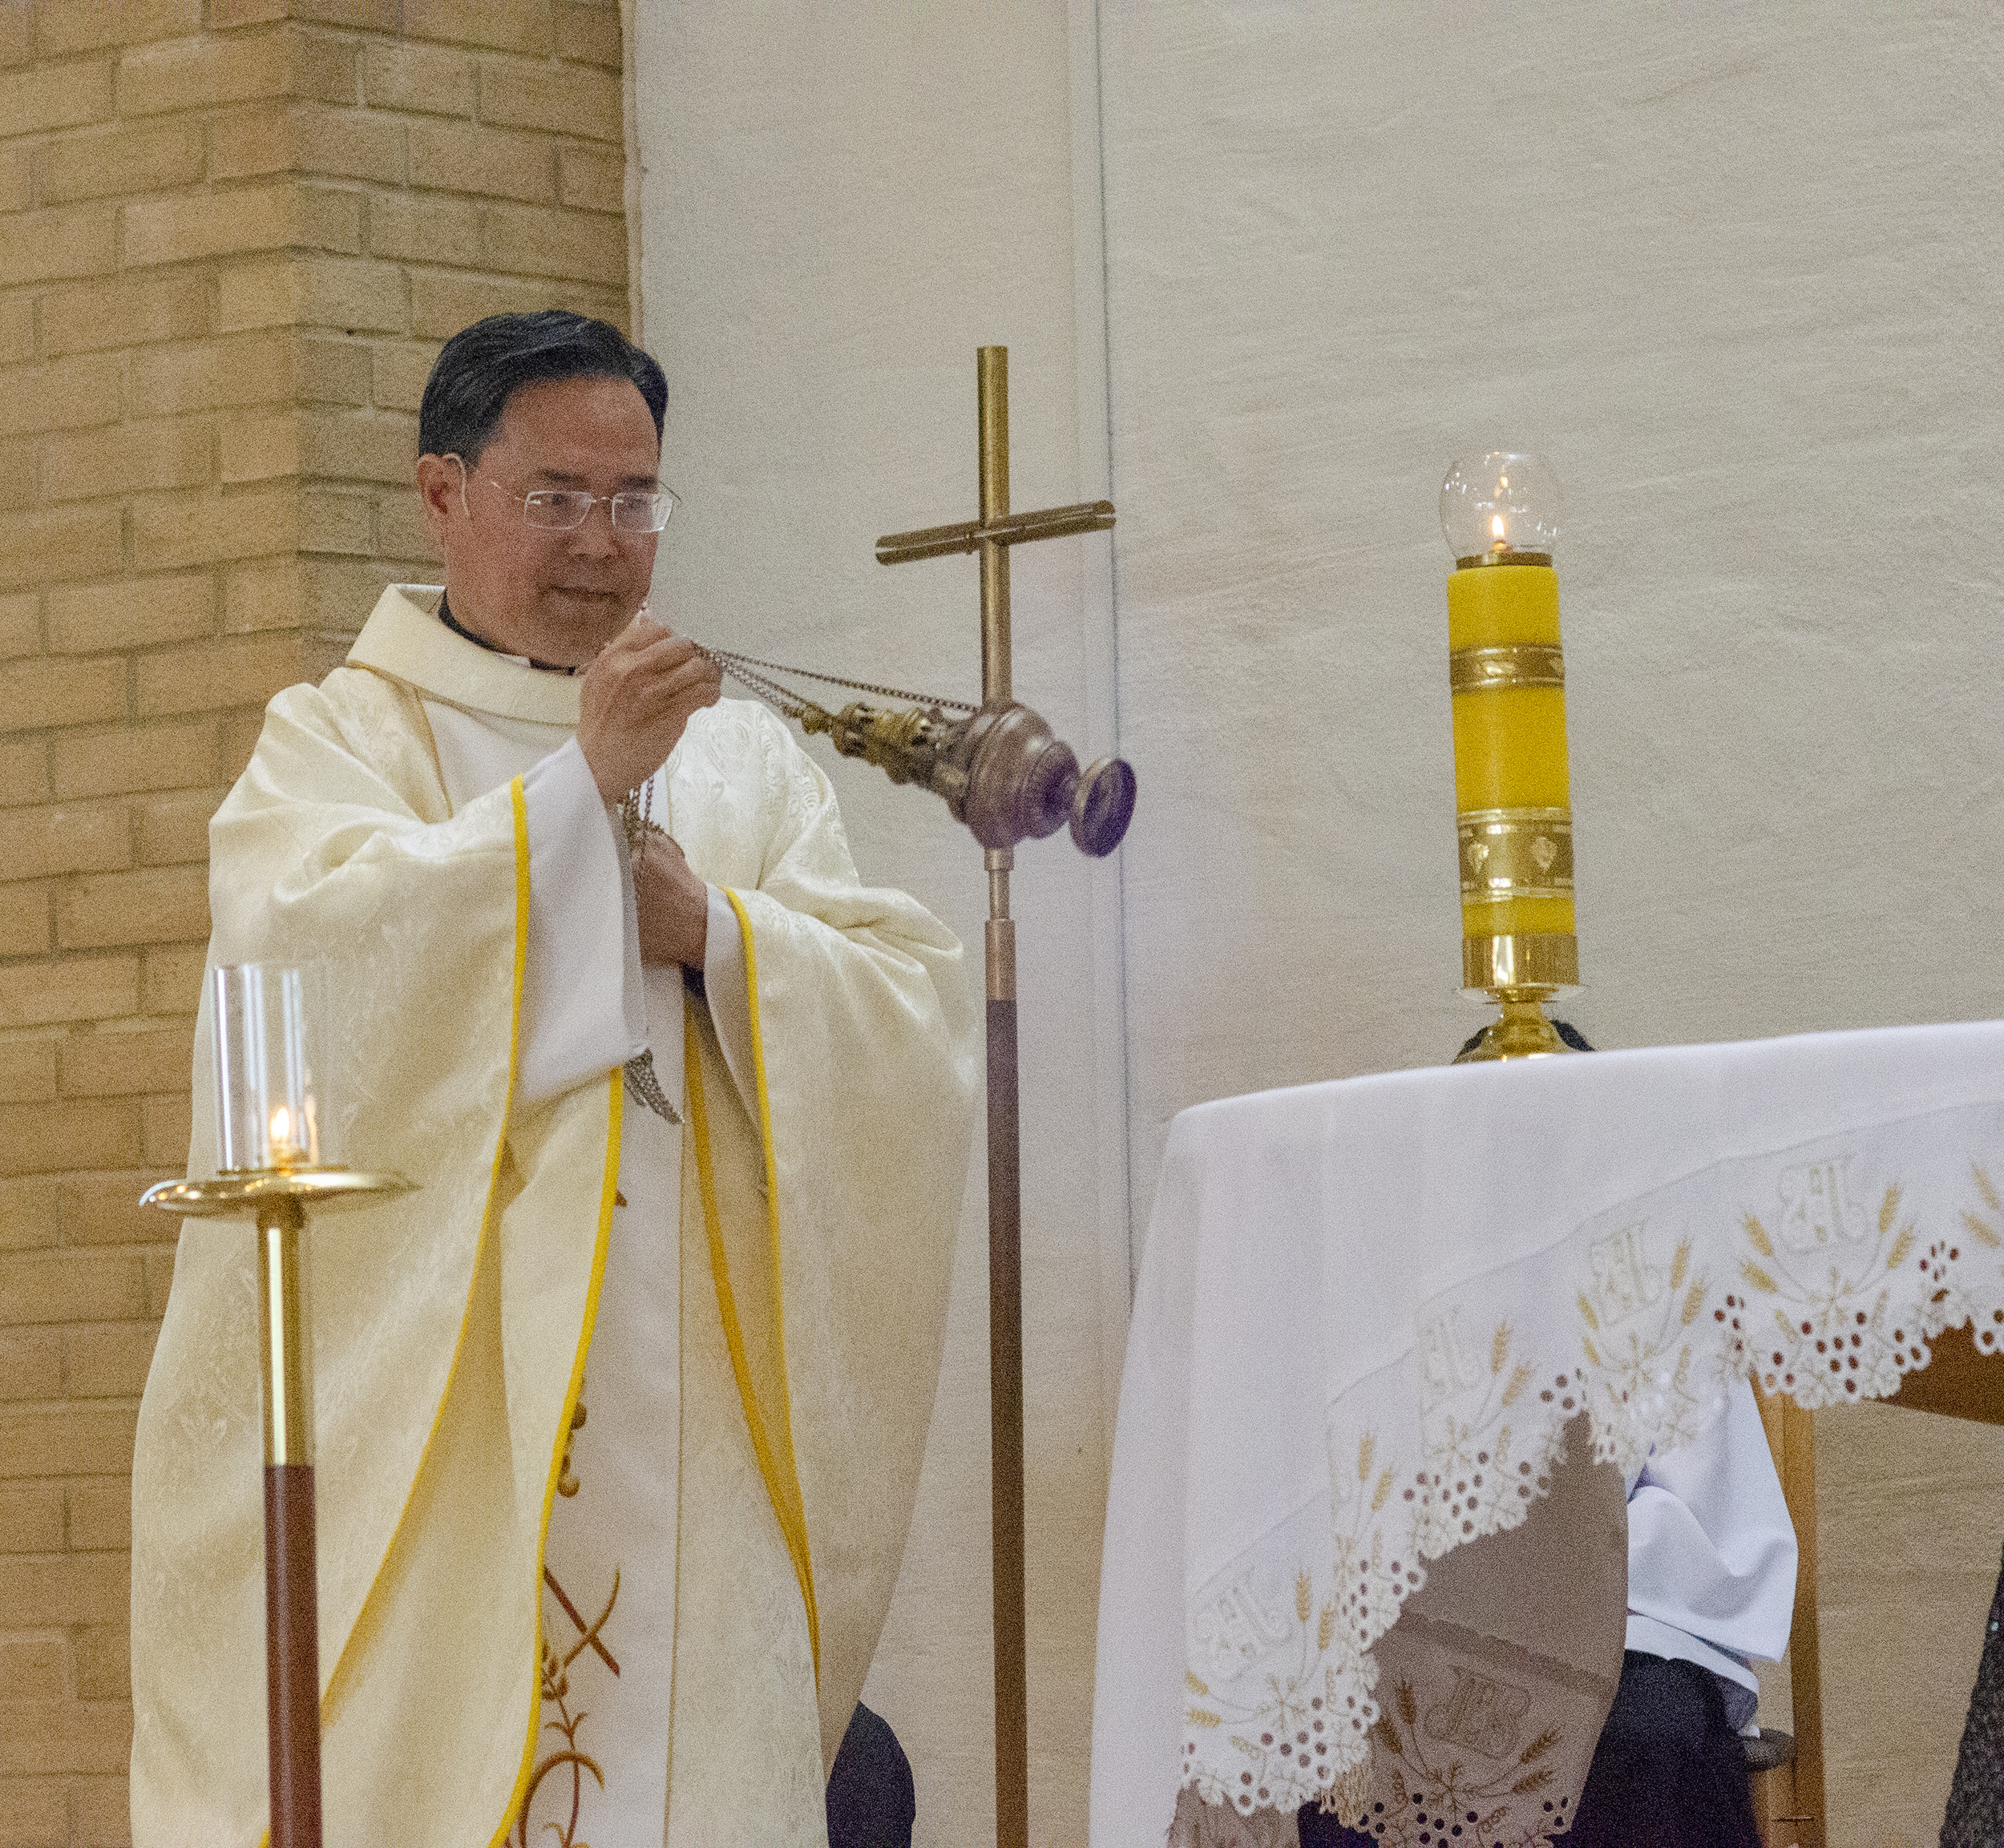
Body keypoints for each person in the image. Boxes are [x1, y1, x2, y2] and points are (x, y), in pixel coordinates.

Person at [129, 311, 979, 1846]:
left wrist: (713, 931)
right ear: (442, 495)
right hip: (448, 1466)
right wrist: (575, 803)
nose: (605, 544)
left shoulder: (734, 765)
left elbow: (906, 1012)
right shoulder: (337, 744)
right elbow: (301, 946)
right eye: (558, 498)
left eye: (636, 500)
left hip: (693, 1460)